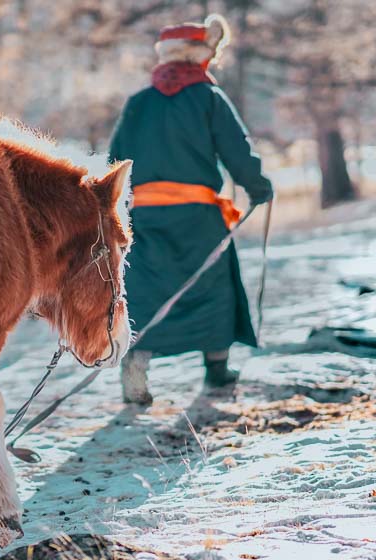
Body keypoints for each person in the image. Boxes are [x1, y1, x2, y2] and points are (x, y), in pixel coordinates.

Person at [108, 14, 273, 405]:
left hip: (145, 218)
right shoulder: (209, 98)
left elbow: (115, 162)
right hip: (199, 218)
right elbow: (236, 150)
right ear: (198, 57)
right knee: (213, 288)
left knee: (146, 294)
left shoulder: (138, 103)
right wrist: (258, 186)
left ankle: (135, 367)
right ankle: (217, 369)